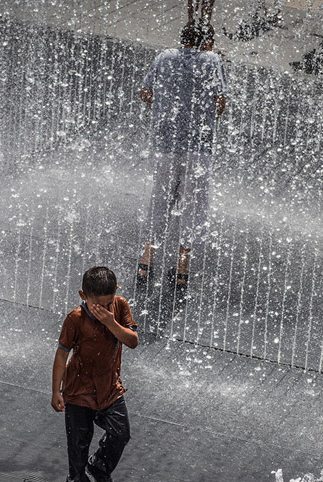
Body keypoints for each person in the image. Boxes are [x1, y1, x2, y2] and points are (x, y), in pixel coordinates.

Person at [137, 14, 227, 295]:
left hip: (166, 143)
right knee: (194, 205)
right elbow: (220, 103)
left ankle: (146, 262)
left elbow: (145, 93)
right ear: (208, 42)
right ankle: (181, 270)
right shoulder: (213, 60)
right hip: (198, 147)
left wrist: (165, 109)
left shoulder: (164, 57)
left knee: (161, 199)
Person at [51, 267, 138, 482]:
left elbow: (132, 342)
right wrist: (55, 391)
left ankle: (100, 465)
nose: (104, 309)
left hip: (110, 387)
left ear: (115, 293)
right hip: (78, 391)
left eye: (107, 303)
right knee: (78, 442)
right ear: (83, 295)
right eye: (97, 305)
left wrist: (111, 322)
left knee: (121, 433)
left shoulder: (119, 307)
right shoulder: (75, 319)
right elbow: (61, 355)